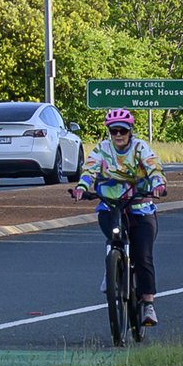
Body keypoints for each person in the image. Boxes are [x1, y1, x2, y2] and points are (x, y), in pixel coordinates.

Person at [70, 107, 166, 326]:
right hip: (111, 206)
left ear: (130, 131)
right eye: (114, 131)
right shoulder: (102, 149)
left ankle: (148, 304)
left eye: (122, 130)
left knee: (143, 255)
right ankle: (113, 268)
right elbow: (90, 169)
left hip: (140, 208)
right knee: (115, 238)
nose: (118, 135)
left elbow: (154, 167)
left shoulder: (140, 148)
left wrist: (158, 185)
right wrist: (81, 187)